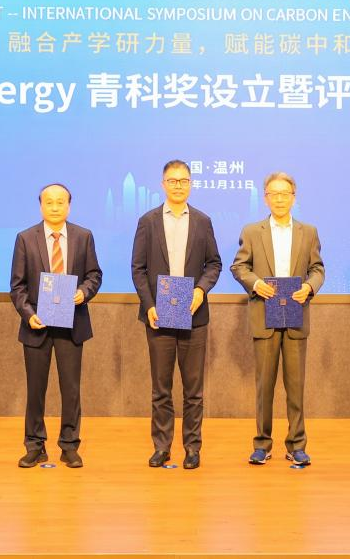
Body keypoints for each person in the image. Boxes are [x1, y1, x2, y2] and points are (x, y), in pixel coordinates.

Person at [130, 159, 222, 470]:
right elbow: (138, 268)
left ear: (191, 184)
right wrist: (149, 305)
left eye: (183, 180)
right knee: (161, 388)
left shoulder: (203, 221)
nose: (178, 185)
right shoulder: (148, 221)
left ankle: (192, 448)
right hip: (158, 315)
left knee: (194, 390)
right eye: (172, 180)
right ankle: (162, 447)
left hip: (194, 315)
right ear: (163, 184)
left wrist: (201, 290)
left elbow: (214, 264)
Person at [230, 171, 325, 466]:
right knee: (264, 386)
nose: (280, 199)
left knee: (296, 387)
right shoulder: (252, 231)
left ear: (294, 198)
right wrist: (255, 283)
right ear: (265, 198)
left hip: (295, 314)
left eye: (285, 194)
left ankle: (297, 444)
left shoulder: (308, 231)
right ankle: (262, 444)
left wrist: (310, 287)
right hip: (265, 314)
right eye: (274, 194)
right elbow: (239, 267)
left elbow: (318, 269)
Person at [9, 183, 104, 468]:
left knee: (71, 389)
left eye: (60, 202)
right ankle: (35, 445)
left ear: (69, 206)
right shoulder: (25, 238)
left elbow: (94, 275)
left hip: (72, 323)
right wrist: (28, 314)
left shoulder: (83, 236)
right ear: (41, 205)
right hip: (36, 325)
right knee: (35, 390)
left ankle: (69, 445)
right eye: (49, 202)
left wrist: (83, 292)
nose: (54, 207)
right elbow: (17, 286)